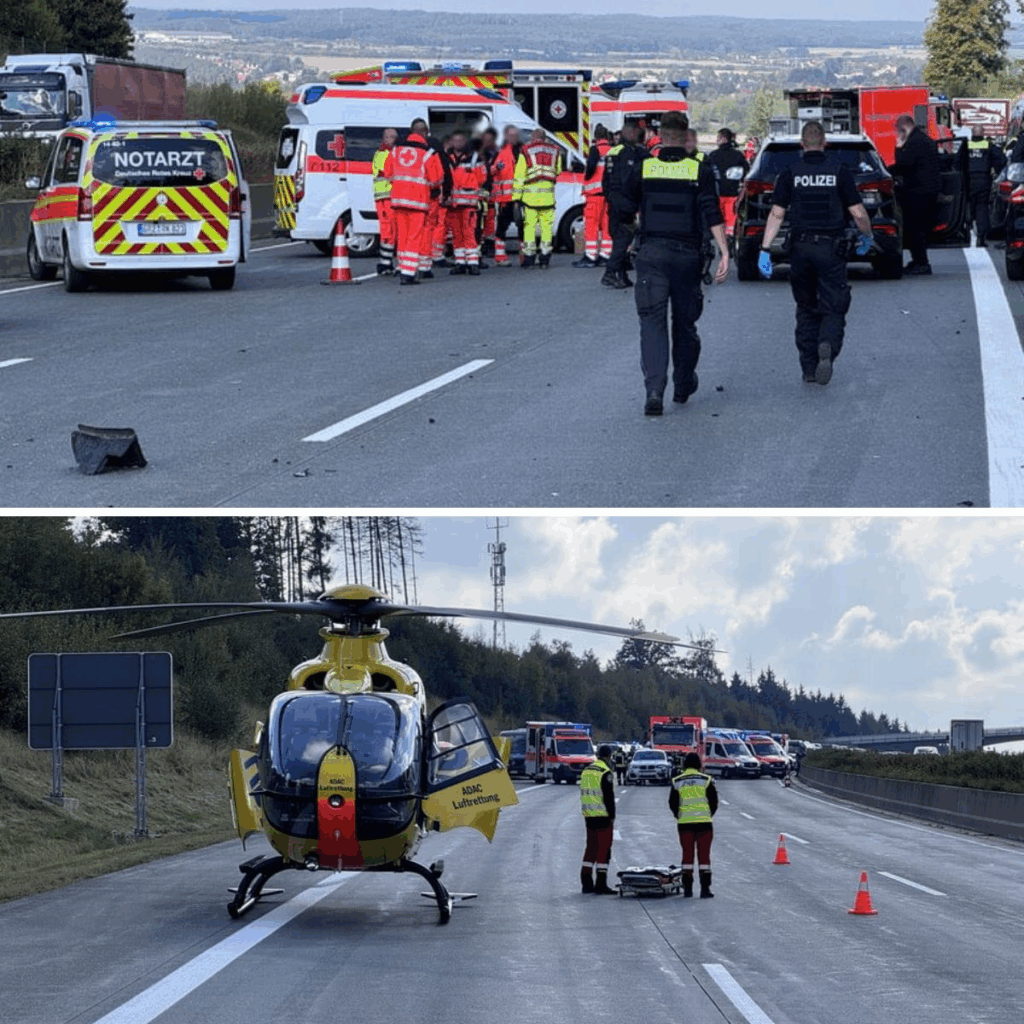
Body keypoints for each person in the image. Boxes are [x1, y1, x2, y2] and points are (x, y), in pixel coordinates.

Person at [623, 109, 729, 416]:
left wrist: (629, 237)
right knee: (685, 324)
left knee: (652, 324)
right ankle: (683, 385)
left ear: (660, 136)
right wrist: (724, 252)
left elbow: (625, 205)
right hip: (686, 257)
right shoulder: (699, 170)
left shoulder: (644, 167)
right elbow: (712, 213)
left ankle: (654, 391)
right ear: (685, 138)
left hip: (652, 254)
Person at [759, 120, 874, 385]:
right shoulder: (839, 170)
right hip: (831, 248)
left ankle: (809, 367)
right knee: (834, 304)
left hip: (800, 248)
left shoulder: (790, 172)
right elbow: (858, 212)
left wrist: (765, 249)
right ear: (825, 143)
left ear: (802, 144)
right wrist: (866, 236)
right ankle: (827, 345)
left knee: (806, 307)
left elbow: (777, 214)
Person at [384, 120, 444, 285]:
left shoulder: (396, 150)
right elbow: (436, 179)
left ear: (411, 131)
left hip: (398, 201)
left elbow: (387, 173)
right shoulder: (429, 153)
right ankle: (408, 273)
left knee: (402, 236)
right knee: (414, 237)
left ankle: (402, 266)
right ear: (425, 133)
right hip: (418, 202)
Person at [889, 113, 941, 275]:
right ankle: (918, 260)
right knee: (917, 228)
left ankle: (922, 262)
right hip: (926, 190)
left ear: (904, 128)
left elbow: (904, 165)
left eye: (899, 131)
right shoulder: (923, 139)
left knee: (915, 227)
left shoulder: (914, 142)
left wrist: (898, 148)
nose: (898, 134)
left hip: (918, 191)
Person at [602, 118, 649, 288]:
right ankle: (610, 272)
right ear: (631, 133)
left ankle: (621, 275)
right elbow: (630, 180)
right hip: (624, 201)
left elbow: (605, 180)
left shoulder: (613, 151)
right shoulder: (628, 153)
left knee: (619, 238)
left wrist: (610, 196)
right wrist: (636, 200)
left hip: (613, 200)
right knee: (624, 238)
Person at [668, 752, 718, 898]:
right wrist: (707, 814)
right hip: (704, 823)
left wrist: (679, 815)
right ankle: (705, 889)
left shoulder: (677, 781)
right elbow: (714, 802)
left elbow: (672, 803)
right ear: (699, 764)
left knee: (687, 856)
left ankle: (688, 889)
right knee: (704, 857)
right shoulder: (706, 780)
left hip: (685, 824)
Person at [512, 128, 563, 268]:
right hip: (548, 198)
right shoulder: (555, 150)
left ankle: (529, 259)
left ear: (533, 138)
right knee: (546, 229)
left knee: (529, 228)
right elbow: (558, 171)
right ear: (545, 138)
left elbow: (519, 176)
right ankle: (545, 259)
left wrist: (516, 198)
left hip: (530, 199)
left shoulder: (526, 151)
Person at [579, 744, 617, 895]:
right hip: (603, 815)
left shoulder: (586, 770)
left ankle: (586, 883)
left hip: (589, 815)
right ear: (608, 756)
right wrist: (612, 815)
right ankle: (601, 883)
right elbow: (608, 797)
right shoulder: (605, 772)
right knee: (604, 849)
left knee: (591, 848)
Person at [574, 124, 613, 268]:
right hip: (608, 195)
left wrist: (586, 176)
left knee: (591, 225)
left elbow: (590, 168)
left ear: (595, 137)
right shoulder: (612, 150)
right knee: (606, 225)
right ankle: (605, 254)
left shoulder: (595, 150)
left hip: (594, 195)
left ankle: (591, 255)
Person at [448, 144, 487, 275]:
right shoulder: (449, 158)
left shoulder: (474, 159)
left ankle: (472, 262)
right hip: (454, 204)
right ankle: (460, 262)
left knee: (469, 233)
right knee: (457, 234)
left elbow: (482, 178)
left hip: (468, 203)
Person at [964, 126, 1005, 247]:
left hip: (968, 180)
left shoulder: (966, 145)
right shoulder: (988, 145)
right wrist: (997, 172)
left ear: (972, 133)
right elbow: (1002, 160)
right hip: (983, 180)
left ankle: (965, 232)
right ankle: (981, 237)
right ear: (982, 133)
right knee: (982, 207)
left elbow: (957, 163)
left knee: (967, 205)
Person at [707, 127, 749, 242]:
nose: (717, 140)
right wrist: (742, 194)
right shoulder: (738, 155)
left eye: (718, 137)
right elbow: (747, 175)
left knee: (718, 223)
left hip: (717, 195)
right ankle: (731, 239)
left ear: (723, 138)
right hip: (733, 195)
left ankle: (721, 242)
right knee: (731, 224)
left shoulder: (713, 155)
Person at [492, 125, 522, 266]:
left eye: (515, 135)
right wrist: (497, 167)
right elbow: (491, 170)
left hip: (520, 197)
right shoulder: (501, 152)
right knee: (502, 226)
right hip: (505, 198)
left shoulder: (521, 151)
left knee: (523, 226)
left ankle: (524, 255)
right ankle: (499, 256)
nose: (513, 138)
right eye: (511, 135)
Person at [371, 128, 398, 275]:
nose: (393, 139)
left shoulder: (387, 152)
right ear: (384, 138)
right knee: (388, 232)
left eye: (395, 136)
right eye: (390, 137)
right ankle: (384, 264)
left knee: (391, 232)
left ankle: (386, 263)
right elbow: (389, 174)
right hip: (385, 198)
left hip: (389, 198)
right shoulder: (383, 154)